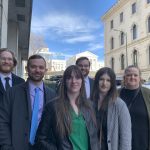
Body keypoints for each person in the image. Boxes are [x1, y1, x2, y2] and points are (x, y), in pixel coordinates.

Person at [35, 65, 100, 150]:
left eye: (77, 78)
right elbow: (40, 138)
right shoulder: (53, 107)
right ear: (64, 81)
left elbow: (95, 137)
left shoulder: (90, 106)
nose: (74, 81)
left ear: (82, 81)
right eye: (69, 78)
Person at [0, 54, 56, 150]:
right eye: (33, 67)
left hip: (44, 147)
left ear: (45, 70)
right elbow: (2, 122)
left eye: (41, 67)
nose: (37, 70)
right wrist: (6, 147)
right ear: (27, 69)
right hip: (17, 146)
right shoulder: (12, 93)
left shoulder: (53, 95)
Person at [91, 67, 131, 150]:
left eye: (108, 80)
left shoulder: (119, 105)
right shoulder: (89, 102)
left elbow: (125, 137)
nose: (104, 83)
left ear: (112, 83)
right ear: (96, 81)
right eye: (101, 79)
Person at [119, 65, 150, 150]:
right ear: (124, 78)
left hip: (143, 144)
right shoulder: (116, 94)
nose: (132, 77)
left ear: (139, 78)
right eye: (129, 75)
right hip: (121, 144)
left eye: (135, 75)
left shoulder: (148, 94)